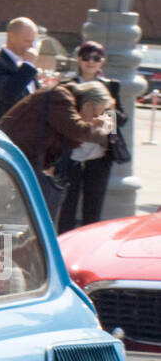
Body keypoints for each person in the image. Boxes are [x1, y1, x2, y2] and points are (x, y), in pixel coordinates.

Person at [0, 79, 112, 224]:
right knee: (12, 216)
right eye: (96, 114)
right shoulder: (59, 96)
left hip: (22, 160)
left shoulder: (65, 104)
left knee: (25, 217)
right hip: (10, 156)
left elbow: (69, 140)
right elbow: (76, 130)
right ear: (88, 105)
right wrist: (102, 135)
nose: (94, 120)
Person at [57, 41, 123, 231]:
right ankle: (64, 243)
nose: (91, 62)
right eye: (86, 57)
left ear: (102, 61)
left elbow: (122, 118)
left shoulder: (111, 86)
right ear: (78, 59)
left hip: (99, 153)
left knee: (93, 206)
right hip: (72, 151)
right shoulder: (66, 85)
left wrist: (108, 114)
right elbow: (60, 116)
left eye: (96, 58)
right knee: (68, 204)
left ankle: (90, 245)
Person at [0, 17, 41, 123]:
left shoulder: (26, 64)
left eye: (33, 42)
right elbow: (8, 94)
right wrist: (28, 65)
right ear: (11, 37)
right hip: (9, 130)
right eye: (27, 41)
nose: (31, 46)